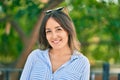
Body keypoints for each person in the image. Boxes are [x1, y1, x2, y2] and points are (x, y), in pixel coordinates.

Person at [20, 7, 90, 80]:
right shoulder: (35, 57)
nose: (54, 36)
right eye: (48, 31)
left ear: (68, 31)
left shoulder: (82, 63)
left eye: (58, 29)